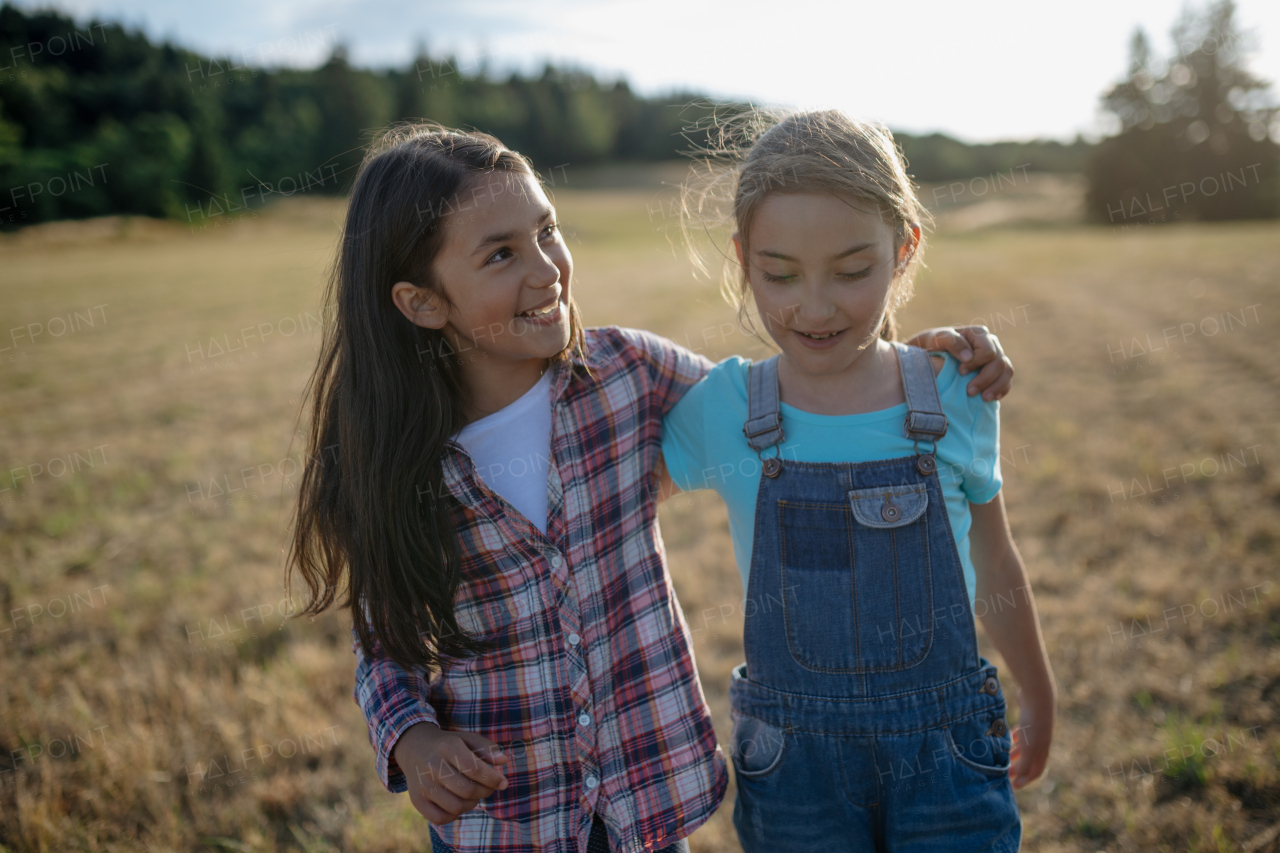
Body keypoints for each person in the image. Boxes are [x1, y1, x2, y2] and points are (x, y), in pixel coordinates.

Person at [286, 123, 1015, 853]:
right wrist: (411, 738)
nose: (547, 271)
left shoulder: (626, 373)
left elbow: (791, 402)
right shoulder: (398, 463)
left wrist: (925, 367)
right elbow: (385, 638)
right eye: (501, 254)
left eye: (548, 231)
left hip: (644, 807)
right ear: (421, 302)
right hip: (507, 819)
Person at [660, 109, 1055, 852]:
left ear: (904, 249)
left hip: (947, 756)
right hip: (794, 770)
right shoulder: (727, 405)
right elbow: (611, 499)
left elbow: (994, 558)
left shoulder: (955, 392)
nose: (813, 306)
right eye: (779, 274)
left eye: (851, 271)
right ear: (742, 258)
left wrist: (1038, 688)